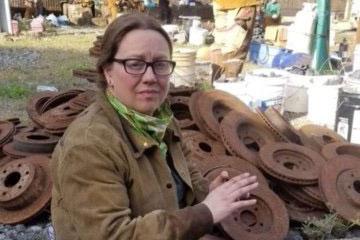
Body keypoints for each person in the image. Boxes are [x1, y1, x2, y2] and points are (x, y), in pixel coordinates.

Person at [50, 13, 258, 240]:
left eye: (160, 64)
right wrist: (206, 212)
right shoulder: (89, 145)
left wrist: (209, 192)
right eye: (135, 64)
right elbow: (113, 235)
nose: (150, 77)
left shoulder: (159, 119)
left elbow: (188, 176)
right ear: (107, 72)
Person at [211, 0, 263, 79]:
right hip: (224, 4)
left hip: (241, 4)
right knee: (221, 50)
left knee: (231, 51)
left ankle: (226, 86)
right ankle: (218, 87)